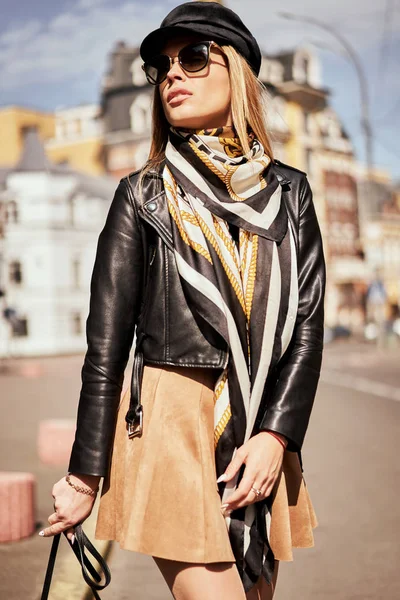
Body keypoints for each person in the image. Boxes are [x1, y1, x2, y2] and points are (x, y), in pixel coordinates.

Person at [41, 3, 326, 599]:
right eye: (161, 65)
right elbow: (106, 349)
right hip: (171, 424)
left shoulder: (290, 193)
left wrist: (277, 435)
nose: (172, 74)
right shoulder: (141, 195)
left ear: (240, 72)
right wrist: (83, 473)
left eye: (193, 58)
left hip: (260, 428)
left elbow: (305, 327)